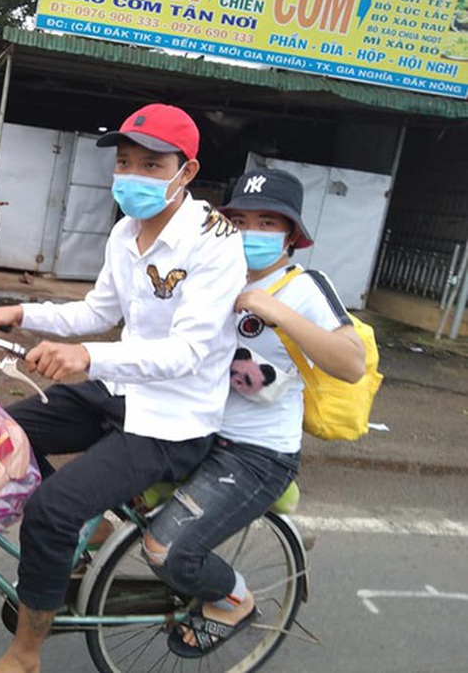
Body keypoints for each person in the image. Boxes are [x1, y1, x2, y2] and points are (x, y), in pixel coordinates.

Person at [0, 103, 247, 673]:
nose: (133, 176)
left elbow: (188, 352)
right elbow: (99, 309)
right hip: (121, 392)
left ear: (186, 171)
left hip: (174, 419)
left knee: (49, 511)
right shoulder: (126, 231)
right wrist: (20, 311)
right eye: (125, 162)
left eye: (152, 165)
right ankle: (93, 526)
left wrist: (87, 358)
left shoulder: (215, 242)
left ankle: (25, 656)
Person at [142, 167, 366, 658]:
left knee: (166, 551)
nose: (251, 232)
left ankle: (234, 600)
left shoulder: (306, 287)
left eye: (268, 222)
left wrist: (278, 311)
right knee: (103, 483)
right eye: (239, 219)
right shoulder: (216, 274)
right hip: (194, 428)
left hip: (255, 455)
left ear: (291, 235)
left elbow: (351, 363)